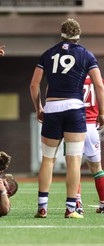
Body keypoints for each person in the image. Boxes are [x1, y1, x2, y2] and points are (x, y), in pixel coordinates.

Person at [30, 18, 104, 219]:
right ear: (78, 35)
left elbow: (34, 84)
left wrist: (39, 107)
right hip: (74, 108)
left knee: (48, 159)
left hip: (52, 107)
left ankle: (42, 207)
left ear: (61, 33)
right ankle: (71, 208)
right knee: (73, 161)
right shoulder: (86, 54)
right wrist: (102, 113)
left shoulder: (49, 53)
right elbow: (99, 85)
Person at [74, 75, 104, 214]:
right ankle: (103, 203)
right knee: (97, 168)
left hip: (74, 126)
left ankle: (76, 203)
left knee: (74, 166)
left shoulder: (72, 78)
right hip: (92, 126)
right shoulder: (98, 80)